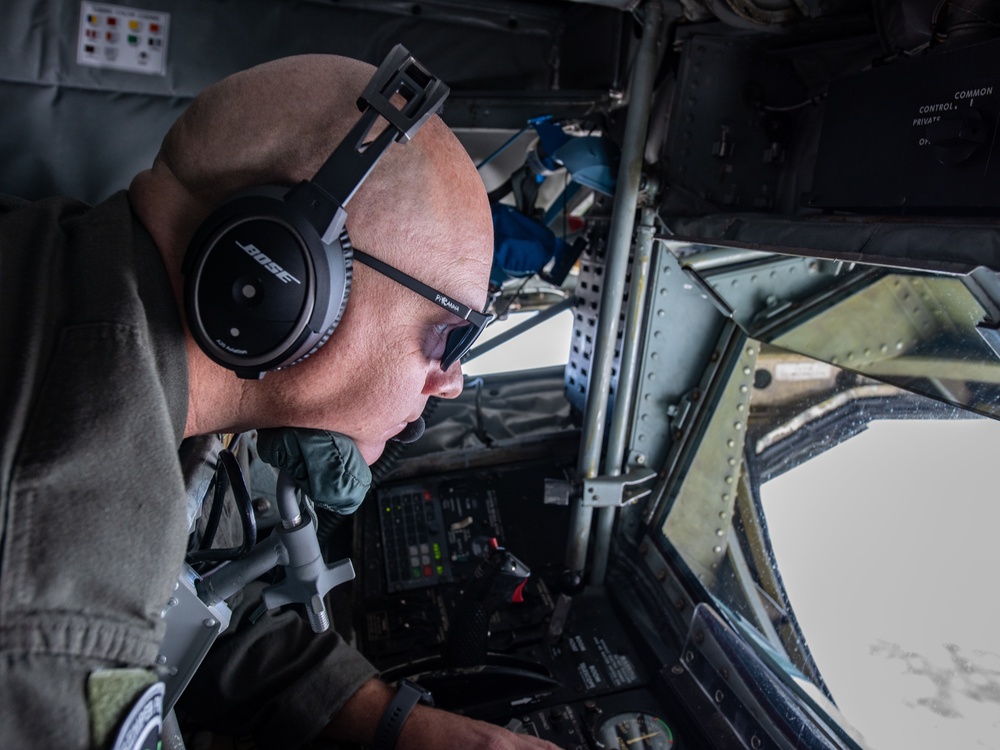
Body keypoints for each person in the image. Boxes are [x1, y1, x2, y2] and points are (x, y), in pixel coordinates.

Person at [0, 52, 562, 749]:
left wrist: (391, 726)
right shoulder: (52, 599)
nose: (451, 381)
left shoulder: (79, 296)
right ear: (287, 270)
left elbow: (191, 588)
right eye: (454, 333)